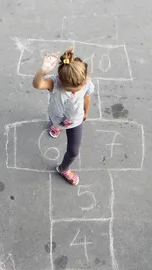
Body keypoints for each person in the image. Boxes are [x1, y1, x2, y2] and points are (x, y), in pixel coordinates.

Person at [32, 48, 94, 186]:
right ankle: (55, 126)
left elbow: (87, 97)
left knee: (73, 151)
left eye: (78, 87)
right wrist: (43, 71)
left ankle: (63, 168)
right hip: (56, 116)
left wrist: (86, 111)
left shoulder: (86, 82)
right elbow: (37, 84)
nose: (75, 90)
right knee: (55, 121)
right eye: (70, 88)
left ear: (84, 80)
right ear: (60, 78)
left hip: (75, 120)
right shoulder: (54, 83)